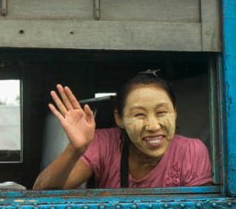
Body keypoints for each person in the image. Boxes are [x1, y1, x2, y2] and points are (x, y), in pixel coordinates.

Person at [33, 71, 212, 190]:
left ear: (175, 113)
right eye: (139, 115)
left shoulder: (191, 151)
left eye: (162, 113)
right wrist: (76, 148)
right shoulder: (103, 143)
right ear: (119, 118)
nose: (153, 126)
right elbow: (41, 190)